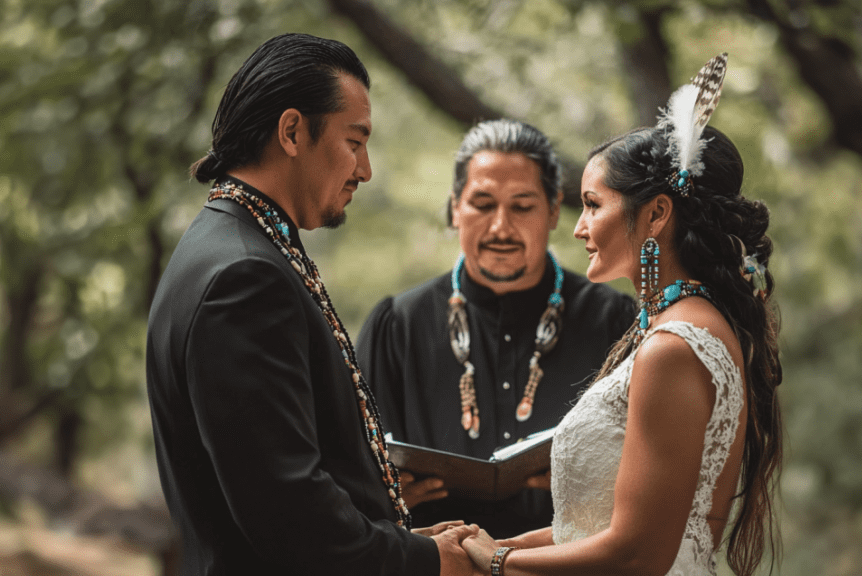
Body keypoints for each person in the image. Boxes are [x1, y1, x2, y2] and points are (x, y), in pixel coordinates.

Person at [145, 33, 481, 576]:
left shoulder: (237, 246)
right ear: (293, 131)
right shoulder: (244, 278)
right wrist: (422, 561)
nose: (365, 169)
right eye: (355, 141)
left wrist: (398, 533)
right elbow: (287, 514)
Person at [459, 54, 783, 576]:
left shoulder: (675, 347)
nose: (579, 228)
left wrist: (496, 564)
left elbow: (636, 555)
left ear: (656, 213)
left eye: (592, 204)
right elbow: (595, 528)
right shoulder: (682, 326)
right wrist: (495, 543)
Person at [356, 119, 636, 537]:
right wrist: (384, 494)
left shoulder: (615, 322)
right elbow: (349, 480)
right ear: (455, 208)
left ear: (554, 209)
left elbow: (648, 474)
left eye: (522, 206)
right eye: (483, 204)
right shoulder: (397, 326)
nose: (501, 227)